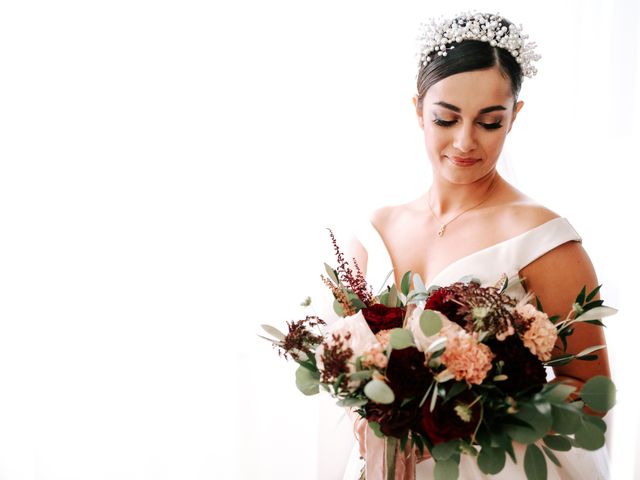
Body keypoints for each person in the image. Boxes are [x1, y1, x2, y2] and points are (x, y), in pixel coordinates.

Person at [339, 11, 612, 480]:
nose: (465, 142)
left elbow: (589, 386)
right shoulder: (375, 231)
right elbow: (345, 366)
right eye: (446, 119)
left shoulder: (544, 240)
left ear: (515, 116)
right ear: (418, 109)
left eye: (489, 122)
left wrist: (477, 415)